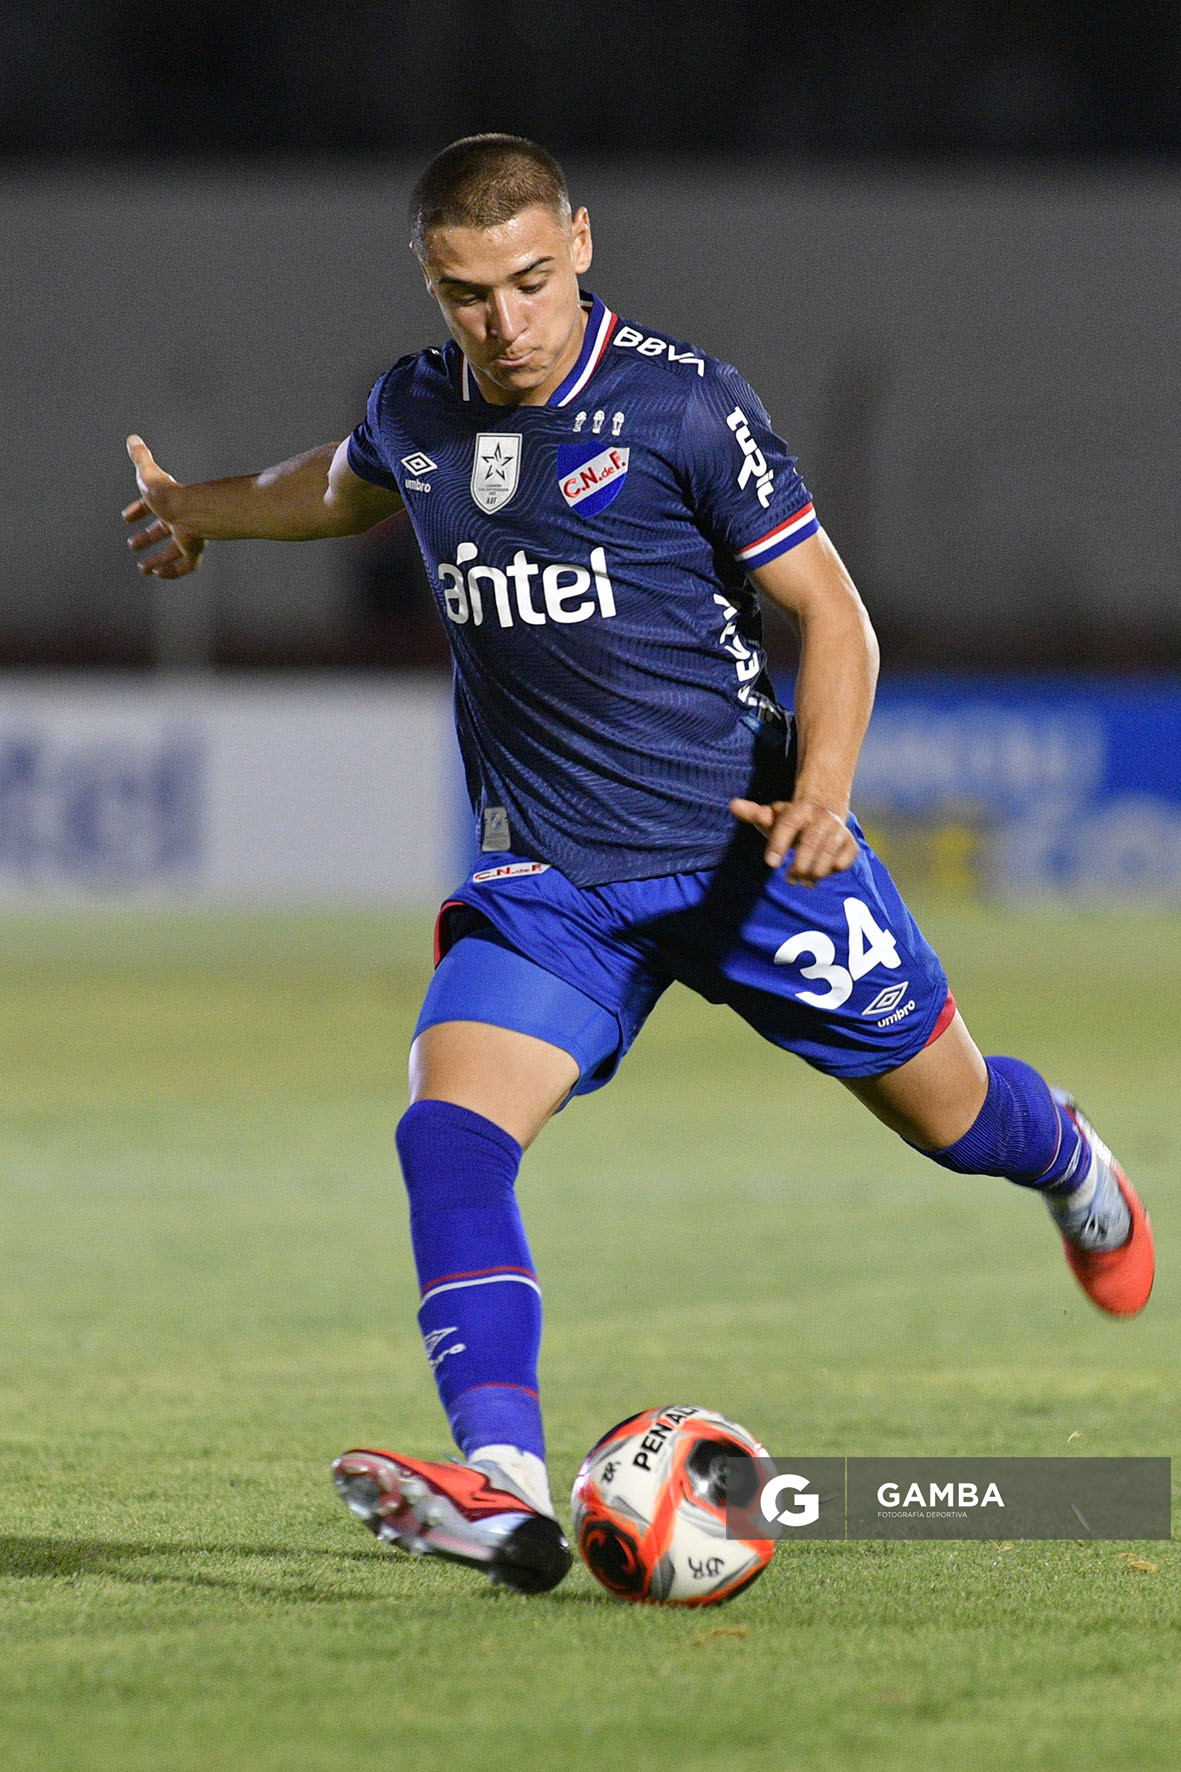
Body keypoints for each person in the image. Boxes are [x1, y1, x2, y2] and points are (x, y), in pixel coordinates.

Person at [123, 134, 1153, 1596]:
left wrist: (824, 793)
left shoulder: (679, 403)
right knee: (447, 1132)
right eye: (467, 293)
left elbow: (834, 616)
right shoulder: (419, 404)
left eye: (531, 281)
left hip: (746, 858)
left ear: (582, 246)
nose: (505, 322)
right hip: (553, 883)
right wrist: (204, 510)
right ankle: (501, 1491)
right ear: (428, 282)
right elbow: (351, 486)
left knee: (955, 1118)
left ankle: (1069, 1160)